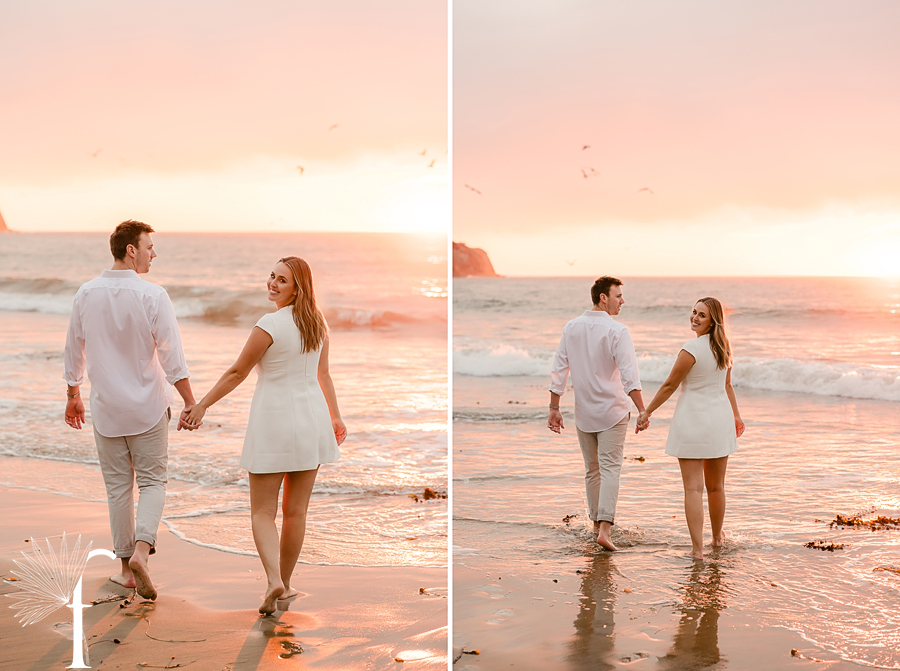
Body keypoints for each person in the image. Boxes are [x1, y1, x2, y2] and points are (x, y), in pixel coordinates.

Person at [182, 256, 346, 615]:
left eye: (282, 280)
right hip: (312, 421)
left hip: (274, 421)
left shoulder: (269, 324)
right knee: (296, 512)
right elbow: (324, 375)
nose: (272, 284)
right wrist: (334, 417)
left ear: (297, 288)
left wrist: (203, 405)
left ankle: (274, 579)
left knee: (262, 511)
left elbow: (238, 371)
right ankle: (284, 586)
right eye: (272, 276)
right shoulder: (318, 324)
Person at [64, 220, 199, 601]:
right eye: (150, 247)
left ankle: (125, 571)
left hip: (107, 409)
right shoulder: (153, 295)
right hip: (148, 406)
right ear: (131, 250)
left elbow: (75, 346)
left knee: (118, 489)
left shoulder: (86, 293)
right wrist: (190, 400)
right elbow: (173, 355)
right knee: (154, 482)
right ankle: (143, 551)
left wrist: (73, 392)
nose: (154, 253)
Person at [637, 297, 745, 561]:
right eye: (694, 312)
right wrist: (736, 416)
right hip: (719, 419)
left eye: (702, 315)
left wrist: (647, 411)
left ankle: (698, 550)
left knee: (694, 489)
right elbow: (727, 385)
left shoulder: (691, 348)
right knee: (717, 487)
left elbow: (669, 385)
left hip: (694, 421)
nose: (694, 318)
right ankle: (717, 540)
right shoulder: (724, 347)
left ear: (712, 321)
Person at [548, 276, 648, 551]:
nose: (622, 301)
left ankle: (595, 527)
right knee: (611, 468)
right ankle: (605, 529)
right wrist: (641, 408)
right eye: (618, 296)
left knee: (592, 470)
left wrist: (554, 407)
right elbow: (630, 375)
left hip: (584, 413)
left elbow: (559, 368)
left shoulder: (571, 327)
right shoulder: (618, 331)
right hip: (613, 412)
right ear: (603, 297)